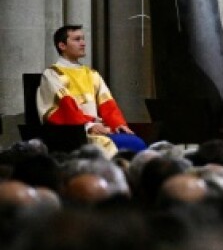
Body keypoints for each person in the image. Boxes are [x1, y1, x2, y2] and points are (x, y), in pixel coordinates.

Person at [37, 25, 146, 157]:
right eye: (77, 39)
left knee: (136, 142)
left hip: (98, 129)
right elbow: (65, 107)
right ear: (62, 45)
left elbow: (107, 103)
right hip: (74, 134)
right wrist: (88, 126)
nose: (83, 43)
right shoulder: (53, 74)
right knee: (129, 144)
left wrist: (118, 124)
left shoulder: (91, 73)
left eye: (83, 39)